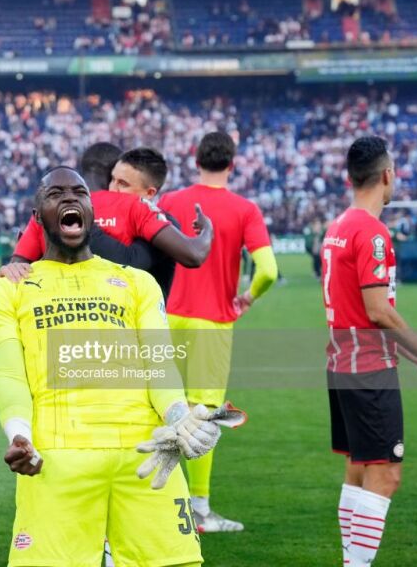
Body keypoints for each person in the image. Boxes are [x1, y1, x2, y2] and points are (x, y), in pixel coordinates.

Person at [0, 166, 229, 567]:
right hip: (58, 458)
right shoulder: (7, 290)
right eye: (55, 194)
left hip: (146, 454)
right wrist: (19, 435)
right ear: (38, 215)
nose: (69, 198)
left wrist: (179, 417)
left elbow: (159, 365)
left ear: (91, 212)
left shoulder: (138, 282)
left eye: (79, 192)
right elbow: (8, 375)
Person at [157, 131, 278, 532]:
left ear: (196, 160)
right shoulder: (244, 209)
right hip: (211, 322)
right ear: (232, 164)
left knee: (158, 405)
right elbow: (268, 271)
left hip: (167, 316)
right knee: (202, 415)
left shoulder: (170, 201)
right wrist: (248, 298)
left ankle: (150, 504)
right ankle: (200, 510)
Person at [321, 136, 417, 567]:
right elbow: (378, 310)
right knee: (385, 476)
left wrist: (413, 356)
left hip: (342, 364)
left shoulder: (338, 226)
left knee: (359, 470)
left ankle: (351, 562)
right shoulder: (372, 232)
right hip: (368, 369)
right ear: (386, 175)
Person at [9, 142, 212, 275]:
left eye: (122, 182)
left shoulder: (49, 211)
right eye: (115, 179)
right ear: (111, 172)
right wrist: (208, 230)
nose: (116, 187)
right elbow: (193, 255)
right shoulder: (136, 206)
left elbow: (15, 269)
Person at [104, 146, 180, 298]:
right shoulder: (105, 216)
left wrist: (91, 230)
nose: (112, 189)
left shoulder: (164, 226)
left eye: (123, 184)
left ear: (149, 193)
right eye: (112, 179)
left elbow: (130, 262)